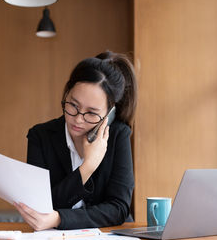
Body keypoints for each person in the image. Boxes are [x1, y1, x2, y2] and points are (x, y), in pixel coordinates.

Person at [14, 51, 137, 230]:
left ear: (109, 114)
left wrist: (59, 219)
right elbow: (42, 205)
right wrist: (86, 168)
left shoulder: (119, 135)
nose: (78, 119)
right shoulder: (40, 136)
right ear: (67, 93)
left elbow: (118, 209)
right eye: (73, 105)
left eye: (92, 113)